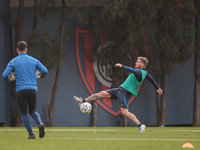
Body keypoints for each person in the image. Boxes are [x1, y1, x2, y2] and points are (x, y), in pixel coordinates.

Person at [74, 56, 162, 133]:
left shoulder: (139, 72)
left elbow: (132, 70)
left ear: (142, 65)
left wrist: (122, 66)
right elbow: (151, 79)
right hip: (121, 90)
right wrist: (158, 88)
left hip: (125, 92)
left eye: (138, 62)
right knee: (102, 93)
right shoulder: (145, 73)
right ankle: (83, 100)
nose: (136, 62)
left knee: (124, 112)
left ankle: (140, 125)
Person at [2, 41, 48, 139]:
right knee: (32, 111)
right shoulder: (34, 60)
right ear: (26, 50)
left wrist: (10, 78)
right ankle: (40, 123)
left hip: (21, 90)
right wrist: (40, 76)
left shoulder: (13, 62)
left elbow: (4, 75)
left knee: (23, 112)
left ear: (17, 50)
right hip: (32, 89)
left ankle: (31, 134)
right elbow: (45, 71)